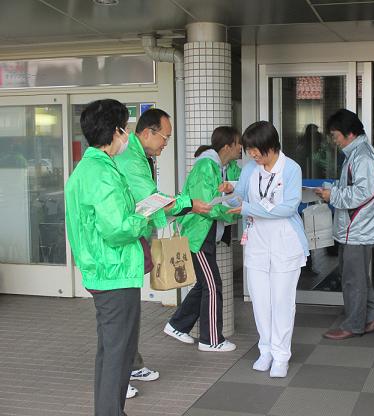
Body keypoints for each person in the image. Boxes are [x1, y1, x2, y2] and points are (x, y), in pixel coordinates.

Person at [115, 108, 212, 398]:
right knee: (118, 317)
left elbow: (148, 202)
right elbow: (150, 199)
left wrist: (168, 217)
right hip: (117, 248)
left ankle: (131, 365)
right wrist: (187, 205)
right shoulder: (129, 158)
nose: (165, 144)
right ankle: (117, 378)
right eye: (165, 137)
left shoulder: (138, 155)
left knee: (128, 312)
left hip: (131, 240)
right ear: (147, 132)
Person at [65, 99, 151, 416]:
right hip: (114, 270)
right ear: (116, 131)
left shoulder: (87, 168)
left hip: (101, 270)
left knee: (110, 350)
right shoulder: (101, 172)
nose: (127, 135)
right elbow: (118, 228)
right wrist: (146, 215)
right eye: (125, 129)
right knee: (119, 353)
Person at [221, 120, 308, 378]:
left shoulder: (291, 169)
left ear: (270, 145)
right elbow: (241, 197)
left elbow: (289, 207)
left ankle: (281, 355)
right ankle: (266, 349)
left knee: (282, 302)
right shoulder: (250, 169)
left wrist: (247, 207)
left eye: (256, 150)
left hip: (285, 242)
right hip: (257, 242)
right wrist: (230, 191)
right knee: (260, 301)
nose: (252, 154)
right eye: (249, 150)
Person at [164, 126, 242, 352]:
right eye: (238, 144)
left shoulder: (226, 166)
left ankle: (177, 324)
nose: (241, 149)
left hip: (206, 233)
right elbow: (204, 206)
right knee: (212, 284)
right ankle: (211, 340)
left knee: (205, 282)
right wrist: (234, 209)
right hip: (197, 234)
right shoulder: (205, 166)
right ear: (227, 146)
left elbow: (241, 186)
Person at [316, 109, 374, 340]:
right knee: (357, 277)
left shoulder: (363, 157)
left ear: (349, 134)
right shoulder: (357, 154)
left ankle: (353, 324)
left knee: (352, 279)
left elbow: (363, 193)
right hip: (355, 227)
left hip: (358, 228)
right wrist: (332, 191)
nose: (333, 140)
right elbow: (356, 188)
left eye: (335, 135)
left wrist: (333, 196)